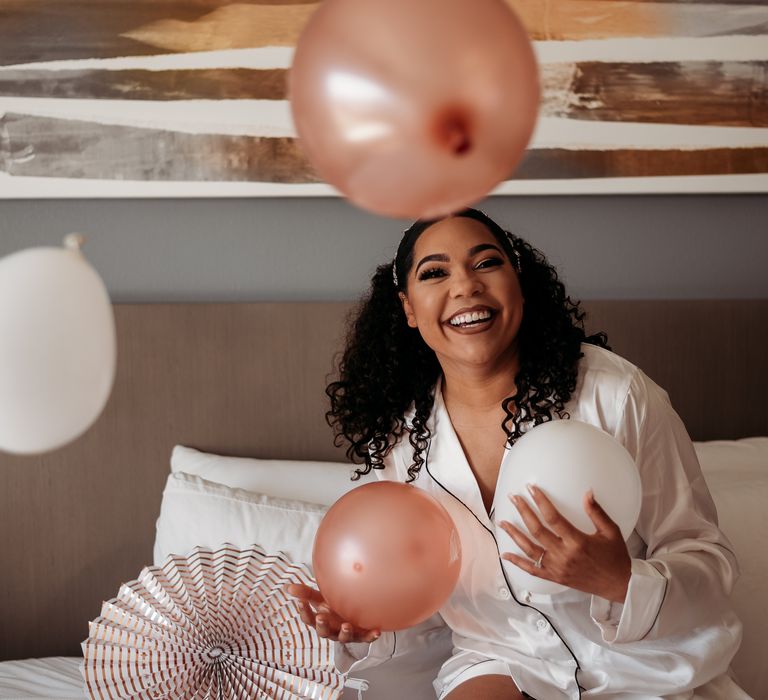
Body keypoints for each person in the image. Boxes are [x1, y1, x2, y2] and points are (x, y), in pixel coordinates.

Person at [288, 208, 747, 699]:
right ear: (408, 308)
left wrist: (621, 580)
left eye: (486, 263)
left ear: (519, 284)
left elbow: (709, 560)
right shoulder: (400, 439)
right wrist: (366, 617)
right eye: (435, 272)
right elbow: (423, 599)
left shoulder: (616, 397)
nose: (465, 286)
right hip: (501, 660)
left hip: (643, 668)